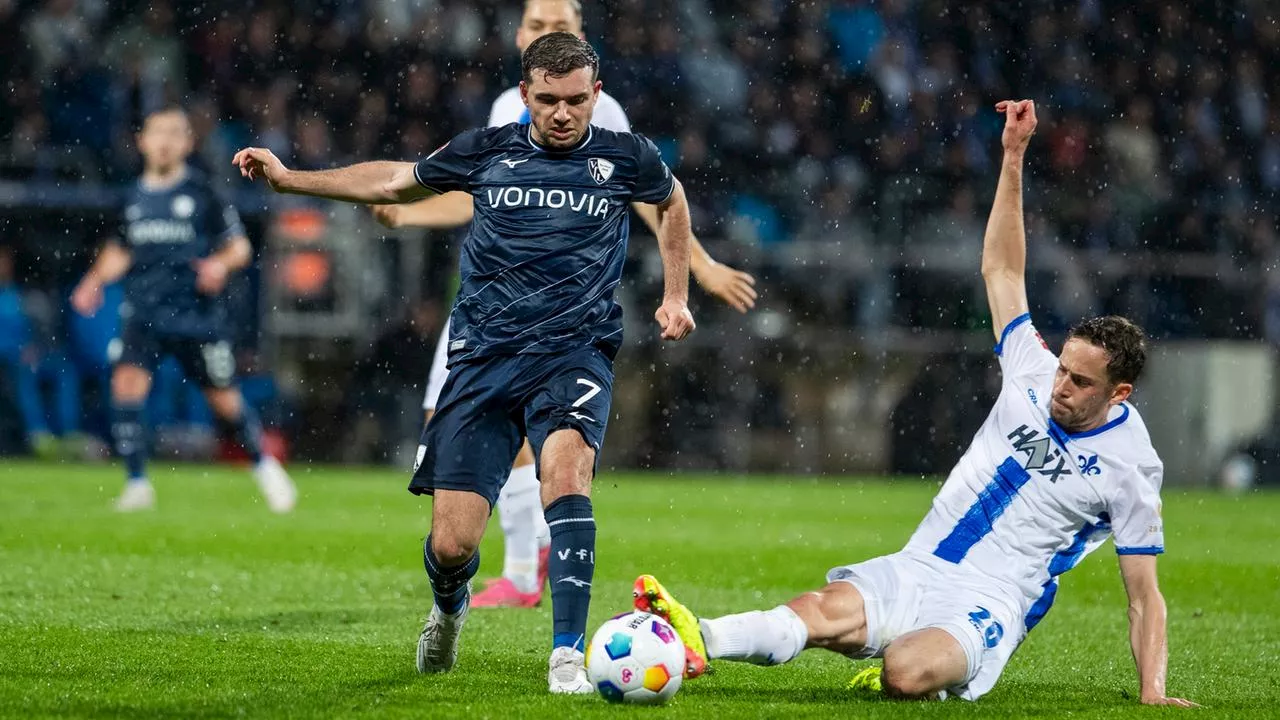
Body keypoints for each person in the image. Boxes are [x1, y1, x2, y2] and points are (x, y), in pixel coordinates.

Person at [633, 100, 1197, 707]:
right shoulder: (1032, 368)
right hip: (920, 562)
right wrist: (1012, 157)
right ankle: (695, 637)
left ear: (1120, 393)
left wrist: (1153, 693)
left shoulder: (1130, 468)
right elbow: (1003, 270)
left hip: (991, 600)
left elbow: (1144, 595)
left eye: (1081, 383)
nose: (1061, 386)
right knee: (820, 611)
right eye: (1063, 369)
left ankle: (907, 662)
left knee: (905, 671)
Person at [233, 32, 696, 694]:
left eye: (575, 101)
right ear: (525, 95)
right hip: (483, 360)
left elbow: (672, 199)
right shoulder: (487, 151)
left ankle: (567, 655)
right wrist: (291, 179)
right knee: (452, 545)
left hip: (574, 351)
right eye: (547, 100)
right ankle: (449, 607)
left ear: (595, 94)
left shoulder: (625, 157)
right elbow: (394, 178)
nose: (562, 114)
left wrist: (675, 294)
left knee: (566, 474)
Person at [372, 0, 757, 610]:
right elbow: (481, 195)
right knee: (442, 428)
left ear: (580, 37)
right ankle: (515, 564)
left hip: (554, 300)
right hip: (490, 296)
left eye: (559, 25)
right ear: (519, 35)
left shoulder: (597, 112)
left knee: (523, 424)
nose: (546, 32)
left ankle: (524, 570)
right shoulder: (508, 108)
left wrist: (698, 270)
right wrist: (411, 209)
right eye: (536, 24)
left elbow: (650, 192)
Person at [72, 106, 297, 513]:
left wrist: (218, 264)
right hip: (143, 314)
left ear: (188, 143)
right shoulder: (132, 196)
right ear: (141, 140)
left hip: (195, 318)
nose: (165, 141)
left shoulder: (202, 192)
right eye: (158, 132)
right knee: (126, 386)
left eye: (175, 134)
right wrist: (94, 281)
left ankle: (265, 467)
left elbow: (240, 248)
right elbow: (121, 249)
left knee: (225, 402)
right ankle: (137, 483)